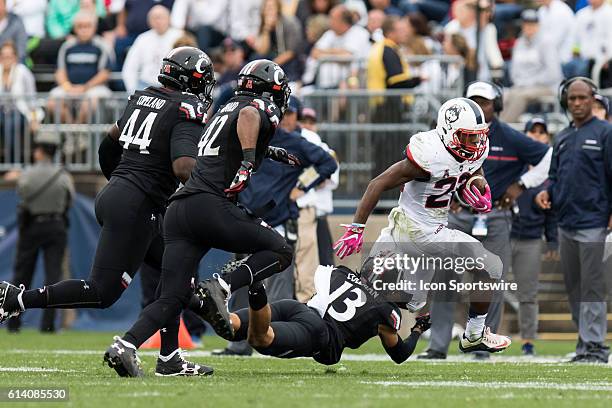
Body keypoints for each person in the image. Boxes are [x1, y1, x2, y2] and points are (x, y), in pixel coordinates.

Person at [0, 46, 216, 377]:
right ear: (194, 80)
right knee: (103, 291)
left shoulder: (144, 98)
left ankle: (170, 357)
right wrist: (209, 187)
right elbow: (184, 166)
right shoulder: (186, 109)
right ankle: (18, 300)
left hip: (123, 195)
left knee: (176, 276)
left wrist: (118, 181)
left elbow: (107, 143)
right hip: (138, 205)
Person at [103, 59, 297, 377]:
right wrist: (249, 161)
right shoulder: (257, 107)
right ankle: (222, 286)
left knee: (172, 294)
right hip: (210, 206)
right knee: (281, 251)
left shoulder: (224, 108)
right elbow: (249, 117)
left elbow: (219, 142)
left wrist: (265, 152)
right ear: (272, 89)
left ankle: (131, 347)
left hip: (180, 208)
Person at [334, 97, 512, 356]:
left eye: (478, 137)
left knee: (411, 298)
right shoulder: (429, 155)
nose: (476, 144)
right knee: (492, 265)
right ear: (449, 133)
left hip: (413, 229)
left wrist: (476, 183)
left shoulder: (472, 149)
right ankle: (475, 334)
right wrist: (357, 227)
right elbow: (377, 183)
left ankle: (341, 314)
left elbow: (472, 167)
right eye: (468, 137)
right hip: (421, 230)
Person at [421, 81, 551, 360]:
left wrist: (522, 185)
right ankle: (437, 344)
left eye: (486, 102)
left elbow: (548, 156)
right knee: (445, 279)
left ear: (498, 105)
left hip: (494, 217)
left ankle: (482, 344)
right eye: (474, 100)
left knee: (492, 279)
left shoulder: (509, 136)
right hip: (460, 215)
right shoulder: (450, 133)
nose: (480, 106)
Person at [200, 260, 432, 365]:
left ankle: (191, 296)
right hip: (319, 332)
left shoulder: (343, 273)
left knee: (231, 326)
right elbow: (399, 354)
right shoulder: (386, 311)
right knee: (260, 339)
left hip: (297, 307)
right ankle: (256, 288)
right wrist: (417, 330)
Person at [535, 77, 612, 364]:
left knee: (592, 286)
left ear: (593, 99)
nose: (577, 103)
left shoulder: (606, 133)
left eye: (582, 98)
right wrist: (545, 192)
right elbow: (554, 177)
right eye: (572, 99)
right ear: (566, 102)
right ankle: (585, 343)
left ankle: (595, 347)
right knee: (575, 287)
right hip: (565, 222)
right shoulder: (563, 137)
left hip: (593, 220)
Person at [5, 133, 74, 333]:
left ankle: (13, 322)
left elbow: (22, 194)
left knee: (22, 274)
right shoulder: (63, 175)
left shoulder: (27, 174)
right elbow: (69, 200)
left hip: (32, 226)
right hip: (56, 225)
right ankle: (48, 324)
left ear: (40, 151)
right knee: (53, 276)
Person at [511, 117, 558, 356]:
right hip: (503, 234)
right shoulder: (513, 166)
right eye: (533, 132)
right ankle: (481, 338)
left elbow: (552, 211)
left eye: (542, 132)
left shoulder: (551, 174)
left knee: (528, 293)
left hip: (530, 237)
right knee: (489, 288)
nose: (537, 136)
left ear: (547, 138)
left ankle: (527, 341)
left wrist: (551, 239)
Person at [47, 10, 112, 124]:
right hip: (69, 87)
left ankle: (79, 134)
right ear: (75, 28)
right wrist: (68, 87)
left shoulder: (102, 46)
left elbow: (104, 73)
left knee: (89, 103)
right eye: (80, 26)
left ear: (94, 27)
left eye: (87, 26)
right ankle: (72, 134)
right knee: (53, 102)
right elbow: (60, 72)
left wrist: (85, 87)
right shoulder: (67, 47)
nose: (83, 29)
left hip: (94, 88)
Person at [501, 10, 562, 123]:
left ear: (538, 25)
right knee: (503, 95)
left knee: (519, 96)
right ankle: (497, 126)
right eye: (526, 24)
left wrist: (528, 82)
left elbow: (553, 73)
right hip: (521, 86)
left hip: (545, 86)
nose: (529, 27)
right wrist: (520, 82)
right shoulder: (519, 43)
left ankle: (505, 127)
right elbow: (514, 70)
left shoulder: (546, 43)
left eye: (532, 24)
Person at [121, 5, 183, 94]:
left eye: (160, 17)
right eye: (154, 18)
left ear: (169, 18)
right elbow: (129, 68)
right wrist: (133, 91)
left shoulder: (179, 37)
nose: (158, 21)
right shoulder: (142, 38)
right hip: (146, 86)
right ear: (149, 21)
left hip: (172, 87)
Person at [0, 41, 42, 163]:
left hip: (20, 112)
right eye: (3, 56)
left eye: (9, 56)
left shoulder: (23, 72)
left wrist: (34, 118)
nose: (6, 59)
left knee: (12, 123)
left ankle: (14, 164)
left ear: (15, 57)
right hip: (1, 112)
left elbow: (32, 98)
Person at [253, 0, 304, 81]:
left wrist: (271, 65)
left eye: (272, 7)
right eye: (266, 8)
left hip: (287, 60)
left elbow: (291, 52)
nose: (269, 11)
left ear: (278, 8)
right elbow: (262, 51)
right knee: (256, 58)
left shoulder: (289, 22)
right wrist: (266, 29)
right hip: (271, 59)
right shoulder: (263, 23)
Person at [537, 0, 576, 64]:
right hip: (548, 58)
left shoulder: (561, 10)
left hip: (564, 60)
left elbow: (554, 42)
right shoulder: (542, 10)